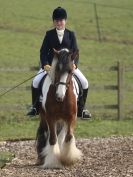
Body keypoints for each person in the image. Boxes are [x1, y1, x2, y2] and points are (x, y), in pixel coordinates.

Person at [27, 7, 91, 119]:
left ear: (65, 21)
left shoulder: (71, 34)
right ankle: (35, 107)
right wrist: (45, 64)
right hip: (52, 66)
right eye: (56, 20)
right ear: (53, 22)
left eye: (61, 20)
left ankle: (82, 109)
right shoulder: (49, 34)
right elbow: (43, 52)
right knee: (35, 81)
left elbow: (76, 51)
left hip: (68, 67)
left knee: (85, 82)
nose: (59, 23)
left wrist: (75, 64)